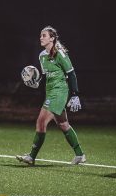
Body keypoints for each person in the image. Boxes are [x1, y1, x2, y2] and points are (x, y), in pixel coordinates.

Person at [16, 25, 86, 165]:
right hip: (50, 92)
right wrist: (36, 82)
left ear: (52, 38)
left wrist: (75, 94)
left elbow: (71, 73)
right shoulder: (42, 56)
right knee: (63, 124)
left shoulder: (60, 54)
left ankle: (31, 156)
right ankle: (80, 155)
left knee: (41, 122)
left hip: (59, 92)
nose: (41, 38)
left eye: (44, 35)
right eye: (40, 35)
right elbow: (44, 76)